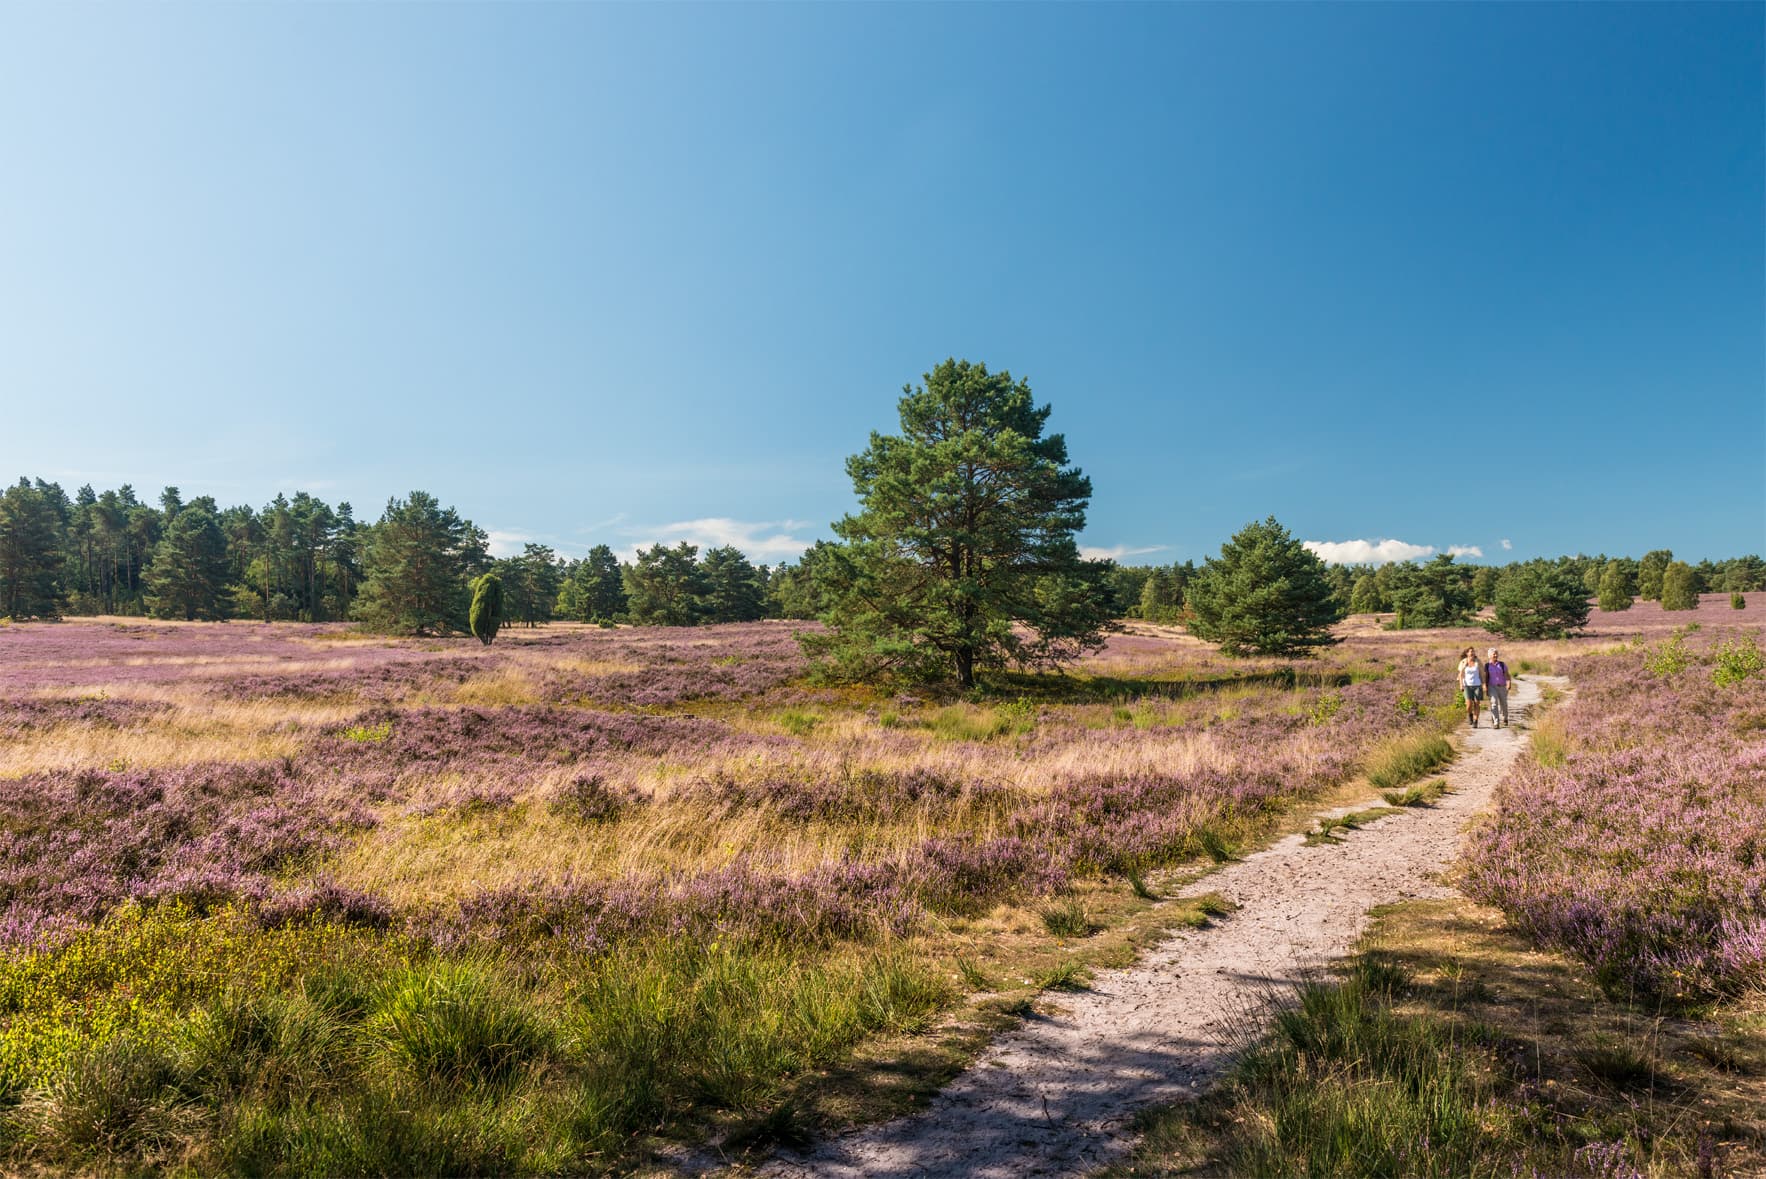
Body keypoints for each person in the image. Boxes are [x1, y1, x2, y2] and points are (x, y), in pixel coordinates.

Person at [1483, 647, 1512, 728]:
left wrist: (1509, 683)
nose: (1495, 655)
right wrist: (1485, 686)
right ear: (1489, 656)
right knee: (1494, 703)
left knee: (1504, 704)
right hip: (1492, 687)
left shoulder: (1502, 664)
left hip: (1502, 687)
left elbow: (1507, 674)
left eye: (1496, 653)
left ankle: (1505, 718)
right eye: (1493, 654)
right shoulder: (1487, 666)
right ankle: (1496, 722)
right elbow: (1485, 677)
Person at [1457, 646, 1484, 728]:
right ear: (1467, 653)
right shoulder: (1463, 662)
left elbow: (1482, 673)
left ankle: (1476, 721)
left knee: (1477, 703)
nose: (1472, 653)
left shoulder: (1478, 661)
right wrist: (1461, 685)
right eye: (1470, 651)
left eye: (1473, 651)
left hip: (1477, 685)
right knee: (1468, 705)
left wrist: (1484, 684)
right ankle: (1470, 714)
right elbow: (1460, 675)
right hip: (1467, 686)